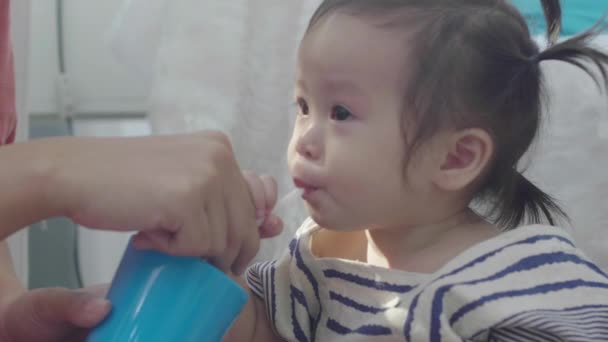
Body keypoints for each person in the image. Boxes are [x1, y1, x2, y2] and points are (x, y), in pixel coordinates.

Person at [219, 0, 608, 341]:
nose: (304, 140)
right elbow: (260, 332)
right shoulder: (318, 255)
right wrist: (219, 265)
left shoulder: (521, 283)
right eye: (303, 106)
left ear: (454, 158)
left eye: (340, 113)